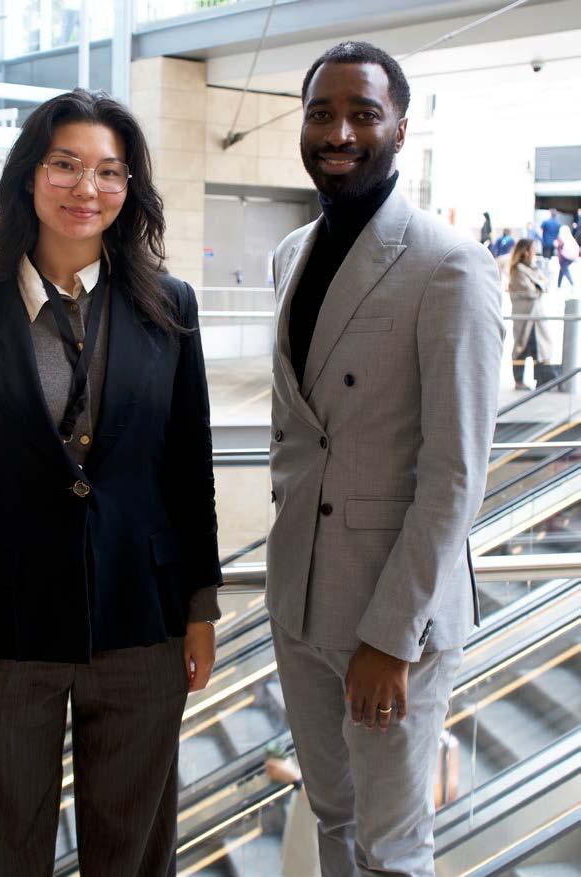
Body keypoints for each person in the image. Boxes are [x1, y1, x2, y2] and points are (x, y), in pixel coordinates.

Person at [0, 89, 222, 876]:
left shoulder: (170, 306)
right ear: (28, 175)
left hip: (144, 619)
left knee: (134, 852)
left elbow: (190, 469)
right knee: (0, 848)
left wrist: (200, 609)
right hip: (5, 628)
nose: (88, 188)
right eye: (66, 165)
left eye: (109, 171)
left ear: (129, 187)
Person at [266, 41, 503, 876]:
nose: (339, 132)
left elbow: (455, 474)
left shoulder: (449, 264)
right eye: (321, 113)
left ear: (401, 129)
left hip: (389, 610)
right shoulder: (291, 254)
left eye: (363, 114)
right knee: (331, 816)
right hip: (299, 600)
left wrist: (393, 638)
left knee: (392, 848)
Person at [508, 238, 555, 390]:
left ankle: (541, 380)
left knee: (538, 349)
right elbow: (531, 292)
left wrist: (540, 285)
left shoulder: (532, 268)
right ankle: (519, 381)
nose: (535, 253)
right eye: (532, 249)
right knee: (522, 348)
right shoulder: (518, 270)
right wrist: (540, 285)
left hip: (535, 317)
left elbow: (543, 284)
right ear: (525, 252)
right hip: (525, 317)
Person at [556, 224, 579, 289]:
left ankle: (572, 284)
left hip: (564, 257)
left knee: (565, 270)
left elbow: (559, 246)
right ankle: (559, 285)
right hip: (571, 257)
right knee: (562, 270)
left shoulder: (561, 238)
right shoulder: (570, 238)